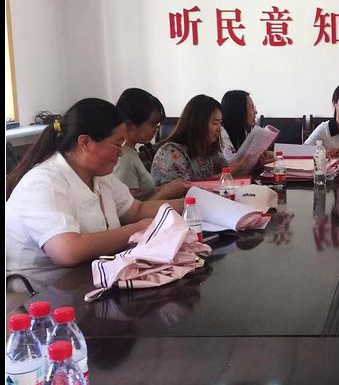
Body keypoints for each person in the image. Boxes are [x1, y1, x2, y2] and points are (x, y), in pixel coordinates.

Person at [6, 99, 183, 288]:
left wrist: (192, 201)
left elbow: (137, 210)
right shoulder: (44, 182)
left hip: (89, 281)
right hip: (41, 294)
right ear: (85, 143)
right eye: (118, 144)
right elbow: (68, 250)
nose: (121, 153)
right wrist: (136, 229)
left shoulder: (99, 175)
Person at [151, 94, 259, 186]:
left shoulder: (209, 150)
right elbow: (183, 190)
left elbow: (229, 176)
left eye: (220, 123)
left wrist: (253, 164)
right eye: (215, 123)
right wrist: (231, 171)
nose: (219, 129)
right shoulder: (171, 152)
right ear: (198, 123)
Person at [114, 88, 190, 200]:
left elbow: (145, 193)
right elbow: (130, 209)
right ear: (130, 124)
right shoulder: (124, 159)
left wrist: (169, 187)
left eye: (157, 125)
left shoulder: (131, 153)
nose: (156, 130)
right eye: (153, 125)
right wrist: (166, 192)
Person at [220, 90, 274, 166]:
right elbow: (230, 167)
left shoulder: (242, 131)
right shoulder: (221, 134)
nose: (256, 112)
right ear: (239, 110)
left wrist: (258, 163)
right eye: (252, 107)